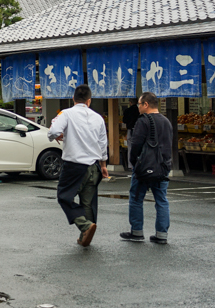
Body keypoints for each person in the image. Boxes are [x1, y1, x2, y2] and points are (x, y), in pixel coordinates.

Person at [48, 84, 110, 247]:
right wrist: (103, 165)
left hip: (74, 165)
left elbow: (53, 131)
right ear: (89, 101)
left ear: (73, 99)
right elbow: (103, 143)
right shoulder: (98, 118)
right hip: (94, 166)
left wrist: (60, 136)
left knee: (64, 196)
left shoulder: (66, 114)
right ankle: (86, 235)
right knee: (88, 203)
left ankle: (85, 226)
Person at [120, 92, 172, 245]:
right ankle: (161, 234)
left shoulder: (143, 121)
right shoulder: (167, 121)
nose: (138, 107)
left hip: (144, 167)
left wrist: (133, 162)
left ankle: (137, 231)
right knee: (161, 200)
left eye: (139, 104)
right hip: (162, 167)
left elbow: (135, 145)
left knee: (136, 198)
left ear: (146, 105)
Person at [122, 98, 140, 170]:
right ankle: (139, 163)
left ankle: (131, 165)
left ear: (130, 102)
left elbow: (124, 120)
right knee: (139, 147)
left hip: (130, 129)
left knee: (130, 147)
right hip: (139, 130)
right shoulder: (139, 110)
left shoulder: (127, 111)